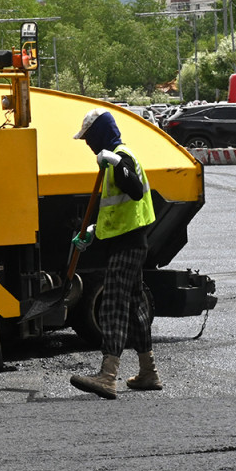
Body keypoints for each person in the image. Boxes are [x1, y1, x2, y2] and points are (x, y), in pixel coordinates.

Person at [69, 108, 161, 399]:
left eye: (88, 139)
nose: (87, 144)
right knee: (135, 308)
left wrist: (116, 161)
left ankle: (108, 376)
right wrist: (93, 231)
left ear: (99, 134)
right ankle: (148, 372)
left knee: (113, 306)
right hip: (128, 242)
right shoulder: (113, 160)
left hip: (128, 245)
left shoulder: (122, 156)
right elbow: (118, 210)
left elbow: (133, 189)